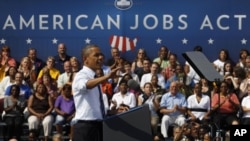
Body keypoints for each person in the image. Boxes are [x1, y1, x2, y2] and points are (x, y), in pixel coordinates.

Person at [72, 44, 120, 141]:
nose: (101, 57)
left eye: (101, 55)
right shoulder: (81, 75)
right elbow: (86, 85)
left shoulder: (95, 78)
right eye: (96, 55)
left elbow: (94, 106)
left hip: (98, 126)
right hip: (85, 128)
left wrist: (112, 112)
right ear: (85, 59)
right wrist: (106, 77)